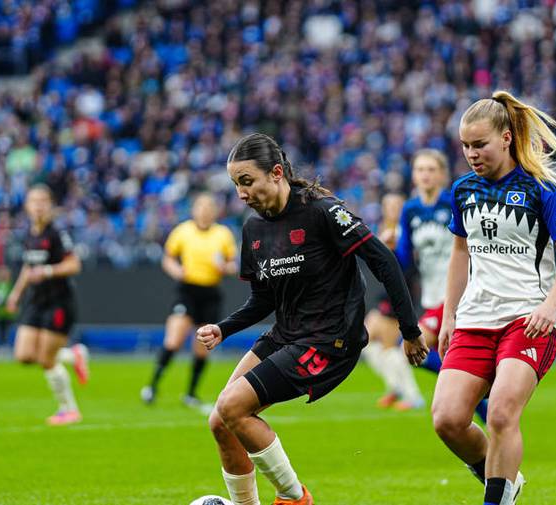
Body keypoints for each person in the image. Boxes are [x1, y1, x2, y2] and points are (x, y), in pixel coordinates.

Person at [196, 133, 428, 505]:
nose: (240, 193)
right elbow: (262, 300)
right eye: (236, 184)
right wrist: (224, 328)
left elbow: (383, 261)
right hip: (287, 334)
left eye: (246, 181)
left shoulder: (323, 211)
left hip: (329, 341)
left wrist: (410, 330)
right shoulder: (254, 229)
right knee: (220, 421)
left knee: (232, 407)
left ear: (276, 173)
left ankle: (294, 498)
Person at [430, 91, 556, 505]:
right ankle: (502, 479)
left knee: (500, 413)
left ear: (505, 137)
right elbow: (460, 252)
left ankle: (497, 496)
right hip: (475, 319)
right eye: (465, 146)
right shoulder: (463, 190)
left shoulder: (542, 188)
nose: (471, 154)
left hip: (527, 320)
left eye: (479, 144)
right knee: (447, 419)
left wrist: (551, 306)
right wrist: (449, 316)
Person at [395, 148, 489, 424]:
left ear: (442, 174)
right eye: (420, 169)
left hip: (457, 295)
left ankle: (473, 387)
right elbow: (404, 259)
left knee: (412, 347)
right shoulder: (410, 209)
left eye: (431, 169)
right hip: (431, 296)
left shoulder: (453, 202)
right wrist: (389, 247)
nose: (425, 175)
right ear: (413, 175)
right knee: (437, 356)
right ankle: (484, 405)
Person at [141, 193, 238, 410]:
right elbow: (168, 258)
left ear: (215, 212)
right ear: (194, 210)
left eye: (209, 207)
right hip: (187, 291)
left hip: (210, 292)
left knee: (202, 346)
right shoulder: (183, 231)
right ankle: (152, 386)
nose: (204, 211)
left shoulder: (222, 234)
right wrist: (177, 270)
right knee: (173, 340)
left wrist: (224, 267)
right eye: (200, 207)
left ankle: (191, 393)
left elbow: (233, 264)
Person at [6, 184, 90, 426]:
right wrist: (16, 294)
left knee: (46, 359)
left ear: (50, 205)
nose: (39, 206)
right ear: (27, 206)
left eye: (43, 201)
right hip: (36, 301)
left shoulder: (56, 233)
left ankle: (69, 410)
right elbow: (28, 267)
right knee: (23, 355)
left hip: (58, 302)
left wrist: (48, 271)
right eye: (34, 201)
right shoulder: (28, 234)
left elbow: (74, 265)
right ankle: (73, 355)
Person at [360, 192, 425, 411]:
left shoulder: (405, 232)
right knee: (368, 341)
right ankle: (395, 387)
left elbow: (407, 268)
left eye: (396, 205)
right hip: (386, 295)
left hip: (401, 294)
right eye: (388, 205)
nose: (392, 209)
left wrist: (392, 249)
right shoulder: (384, 230)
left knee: (389, 347)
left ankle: (412, 396)